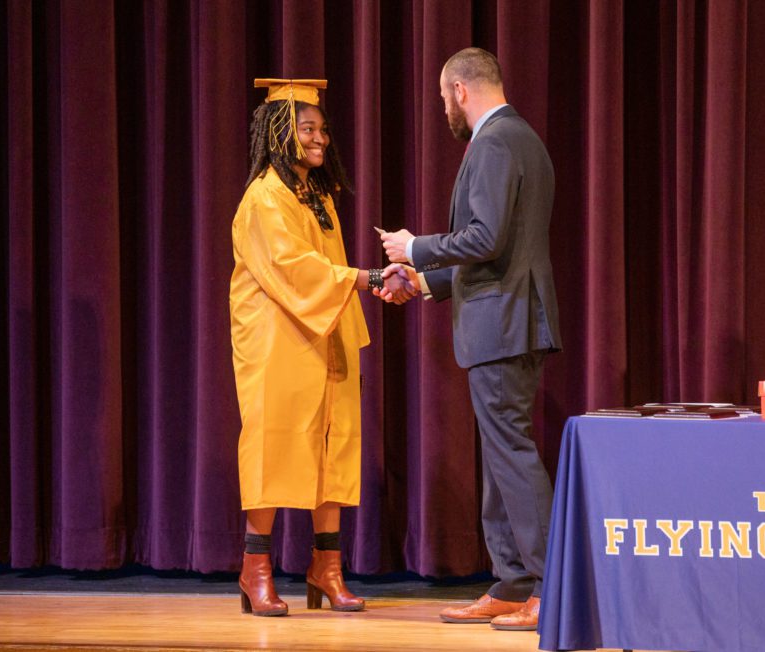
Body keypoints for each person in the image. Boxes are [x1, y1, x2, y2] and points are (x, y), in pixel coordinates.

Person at [379, 48, 561, 631]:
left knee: (511, 452)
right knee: (500, 455)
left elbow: (484, 237)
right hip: (505, 319)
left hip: (504, 325)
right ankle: (513, 582)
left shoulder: (496, 141)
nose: (443, 109)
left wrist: (416, 248)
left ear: (460, 90)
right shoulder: (519, 138)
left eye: (441, 97)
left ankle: (550, 587)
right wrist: (426, 282)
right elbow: (499, 250)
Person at [230, 78, 415, 617]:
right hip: (277, 341)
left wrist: (370, 281)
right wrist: (371, 276)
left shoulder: (316, 195)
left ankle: (326, 566)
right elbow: (296, 271)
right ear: (279, 133)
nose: (320, 139)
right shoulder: (265, 196)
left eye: (323, 129)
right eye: (307, 129)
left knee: (332, 450)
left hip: (325, 332)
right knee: (273, 447)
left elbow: (327, 273)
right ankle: (255, 568)